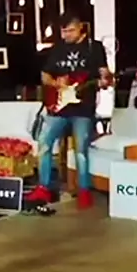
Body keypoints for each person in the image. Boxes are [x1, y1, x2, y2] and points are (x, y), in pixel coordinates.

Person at [26, 12, 111, 209]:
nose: (66, 36)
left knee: (81, 151)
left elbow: (104, 74)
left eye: (70, 31)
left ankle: (84, 190)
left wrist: (106, 80)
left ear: (81, 27)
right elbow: (45, 75)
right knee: (44, 143)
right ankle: (43, 187)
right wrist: (56, 83)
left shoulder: (94, 47)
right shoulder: (58, 48)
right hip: (59, 107)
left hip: (83, 108)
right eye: (63, 32)